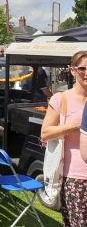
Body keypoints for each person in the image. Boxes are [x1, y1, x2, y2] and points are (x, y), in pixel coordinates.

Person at [41, 50, 87, 226]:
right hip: (74, 178)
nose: (86, 73)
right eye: (82, 68)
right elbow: (45, 133)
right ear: (73, 70)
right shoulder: (61, 99)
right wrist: (74, 126)